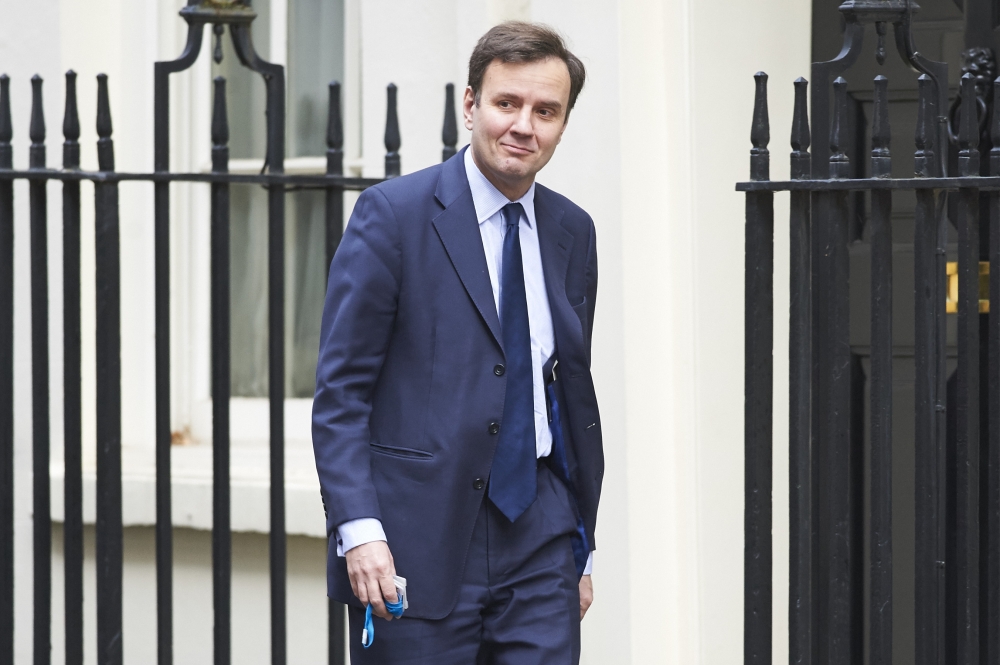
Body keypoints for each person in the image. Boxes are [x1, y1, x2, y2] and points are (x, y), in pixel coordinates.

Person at [312, 20, 603, 664]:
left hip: (541, 535)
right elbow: (341, 395)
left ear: (561, 123)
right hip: (416, 541)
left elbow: (566, 390)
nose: (524, 125)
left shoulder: (572, 232)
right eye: (507, 103)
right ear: (470, 104)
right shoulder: (392, 216)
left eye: (545, 110)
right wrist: (360, 533)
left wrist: (578, 544)